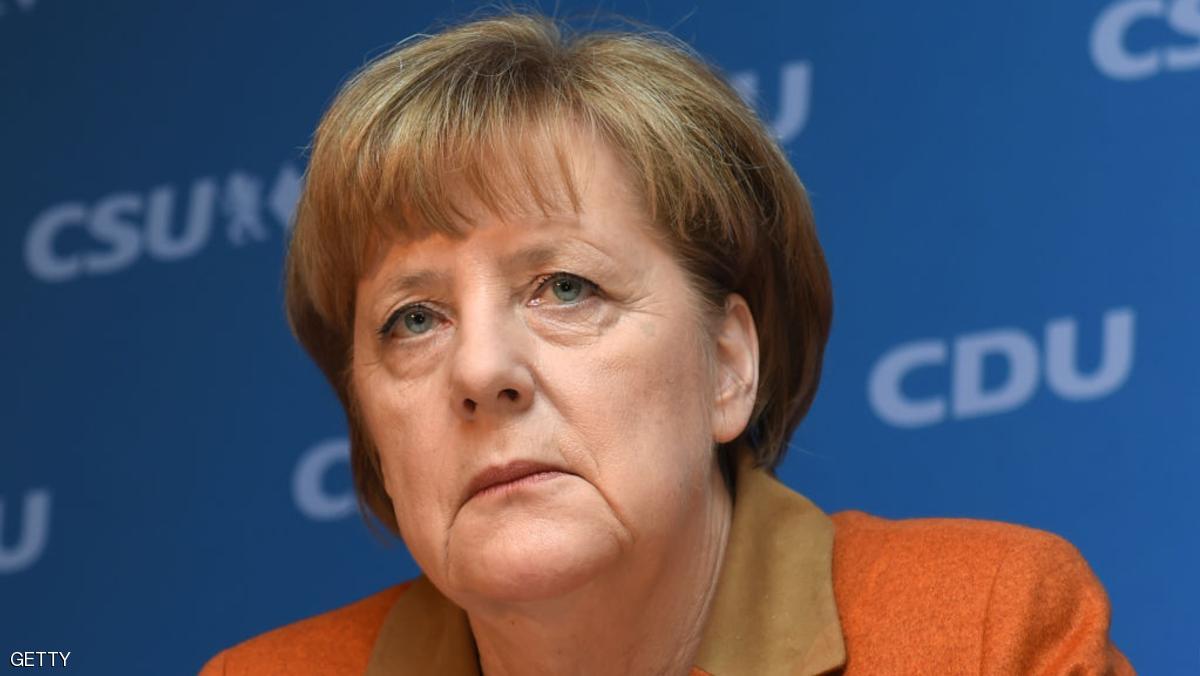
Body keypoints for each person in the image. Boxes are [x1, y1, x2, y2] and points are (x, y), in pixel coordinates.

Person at [201, 11, 1133, 675]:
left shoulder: (987, 632)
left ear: (729, 364)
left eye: (564, 287)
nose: (481, 370)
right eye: (413, 319)